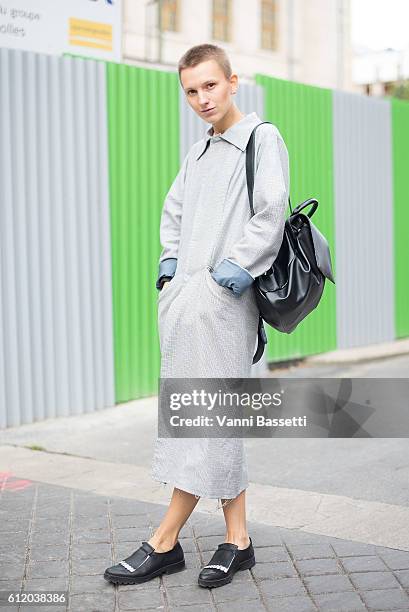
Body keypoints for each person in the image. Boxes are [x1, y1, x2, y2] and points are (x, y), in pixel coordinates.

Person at [104, 43, 290, 590]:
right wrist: (169, 265)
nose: (202, 98)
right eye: (191, 90)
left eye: (210, 85)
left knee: (206, 417)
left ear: (233, 81)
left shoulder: (261, 138)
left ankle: (164, 541)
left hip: (226, 303)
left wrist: (234, 267)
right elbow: (174, 211)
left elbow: (271, 209)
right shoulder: (201, 152)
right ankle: (238, 540)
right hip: (188, 302)